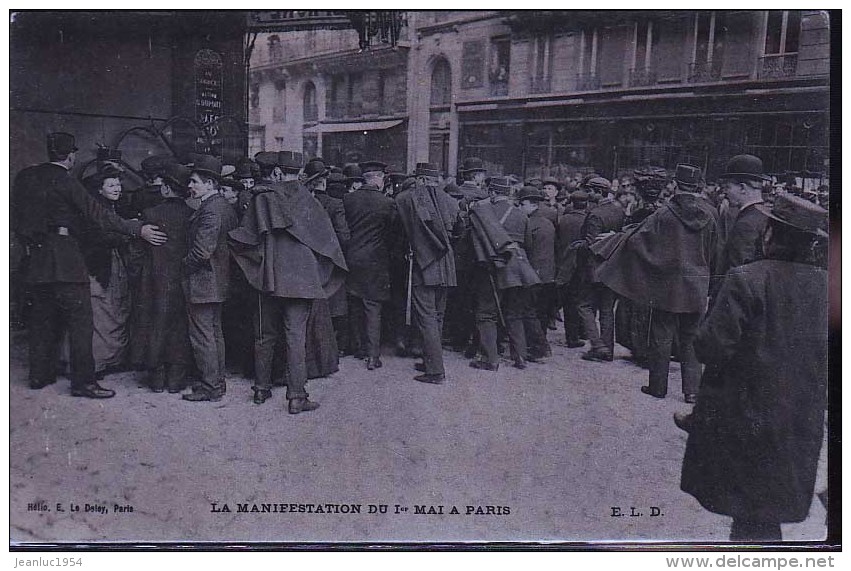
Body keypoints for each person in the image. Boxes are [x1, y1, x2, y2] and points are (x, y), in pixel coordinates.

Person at [680, 193, 828, 542]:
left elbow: (710, 347)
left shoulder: (746, 278)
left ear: (770, 235)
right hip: (801, 414)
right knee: (772, 504)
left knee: (751, 515)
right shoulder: (830, 286)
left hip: (748, 415)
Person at [12, 132, 167, 398]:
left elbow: (15, 216)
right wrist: (136, 229)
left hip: (36, 258)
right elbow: (98, 215)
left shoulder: (25, 178)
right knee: (81, 322)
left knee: (41, 318)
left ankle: (39, 375)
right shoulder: (68, 181)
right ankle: (84, 382)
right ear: (71, 156)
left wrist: (29, 241)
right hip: (67, 260)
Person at [229, 156, 347, 413]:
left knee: (264, 335)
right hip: (301, 280)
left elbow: (243, 241)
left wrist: (256, 269)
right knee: (296, 337)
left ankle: (261, 389)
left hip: (267, 279)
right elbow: (328, 246)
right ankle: (296, 397)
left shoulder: (261, 199)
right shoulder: (311, 202)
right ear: (300, 172)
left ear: (278, 172)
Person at [596, 164, 718, 403]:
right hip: (697, 284)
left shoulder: (664, 214)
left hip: (668, 286)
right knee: (691, 338)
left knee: (661, 335)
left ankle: (658, 386)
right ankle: (692, 391)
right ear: (698, 185)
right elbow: (716, 250)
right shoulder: (711, 213)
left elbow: (641, 242)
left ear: (675, 183)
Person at [395, 162, 461, 384]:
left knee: (426, 318)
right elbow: (460, 231)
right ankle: (431, 359)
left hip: (424, 265)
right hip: (447, 264)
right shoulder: (451, 201)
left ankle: (435, 370)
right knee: (438, 315)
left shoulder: (408, 198)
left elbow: (399, 231)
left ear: (421, 179)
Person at [181, 155, 239, 402]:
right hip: (218, 280)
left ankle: (210, 386)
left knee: (203, 335)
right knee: (214, 333)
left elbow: (202, 252)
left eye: (194, 182)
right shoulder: (222, 205)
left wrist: (182, 266)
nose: (190, 186)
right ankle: (216, 382)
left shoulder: (211, 210)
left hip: (204, 281)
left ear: (209, 184)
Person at [467, 177, 540, 370]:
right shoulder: (521, 215)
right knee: (514, 313)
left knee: (486, 313)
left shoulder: (483, 213)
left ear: (491, 192)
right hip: (518, 268)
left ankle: (489, 359)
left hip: (492, 267)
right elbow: (528, 244)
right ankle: (520, 357)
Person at [135, 163, 194, 393]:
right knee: (180, 326)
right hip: (182, 278)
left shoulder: (151, 215)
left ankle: (157, 378)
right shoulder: (192, 215)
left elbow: (137, 253)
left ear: (167, 189)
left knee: (155, 324)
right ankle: (176, 379)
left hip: (155, 279)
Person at [79, 166, 134, 379]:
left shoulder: (112, 207)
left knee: (114, 309)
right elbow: (94, 238)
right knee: (102, 311)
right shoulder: (96, 210)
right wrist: (126, 235)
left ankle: (111, 358)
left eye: (118, 184)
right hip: (99, 264)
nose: (117, 188)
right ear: (99, 190)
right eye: (111, 185)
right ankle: (98, 362)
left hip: (113, 262)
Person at [343, 160, 397, 370]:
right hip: (376, 260)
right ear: (377, 178)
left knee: (355, 304)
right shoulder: (387, 203)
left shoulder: (348, 200)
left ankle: (358, 348)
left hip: (352, 258)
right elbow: (393, 234)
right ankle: (373, 356)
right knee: (373, 307)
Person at [576, 177, 625, 362]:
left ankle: (597, 345)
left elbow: (591, 243)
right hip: (613, 267)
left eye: (590, 191)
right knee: (607, 309)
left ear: (599, 192)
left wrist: (577, 246)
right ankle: (608, 350)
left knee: (584, 305)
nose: (588, 195)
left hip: (594, 267)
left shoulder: (595, 214)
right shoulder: (618, 211)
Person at [712, 154, 770, 295]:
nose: (725, 192)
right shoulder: (765, 215)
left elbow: (738, 274)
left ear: (742, 188)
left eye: (728, 187)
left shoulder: (746, 224)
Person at [517, 186, 555, 361]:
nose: (519, 207)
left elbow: (527, 249)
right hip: (548, 274)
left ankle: (539, 348)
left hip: (533, 273)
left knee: (527, 311)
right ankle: (538, 345)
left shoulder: (529, 223)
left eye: (521, 204)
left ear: (531, 204)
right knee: (540, 312)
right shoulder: (547, 222)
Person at [555, 190, 590, 348]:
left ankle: (570, 337)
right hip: (581, 266)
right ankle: (577, 335)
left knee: (564, 301)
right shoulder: (588, 221)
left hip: (564, 264)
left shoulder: (563, 219)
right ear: (586, 204)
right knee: (578, 302)